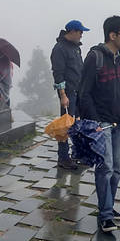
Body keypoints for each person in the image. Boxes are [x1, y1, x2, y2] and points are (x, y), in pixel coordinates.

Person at [73, 15, 120, 234]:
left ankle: (107, 205)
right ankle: (106, 214)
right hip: (102, 123)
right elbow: (84, 93)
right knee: (105, 167)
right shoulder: (95, 57)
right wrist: (94, 121)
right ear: (112, 35)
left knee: (117, 169)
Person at [49, 20, 88, 172]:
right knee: (65, 126)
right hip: (68, 93)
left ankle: (77, 153)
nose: (82, 35)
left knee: (78, 124)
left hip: (79, 91)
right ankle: (63, 157)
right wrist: (63, 95)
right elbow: (58, 74)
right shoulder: (59, 49)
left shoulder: (76, 48)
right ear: (72, 31)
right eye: (80, 32)